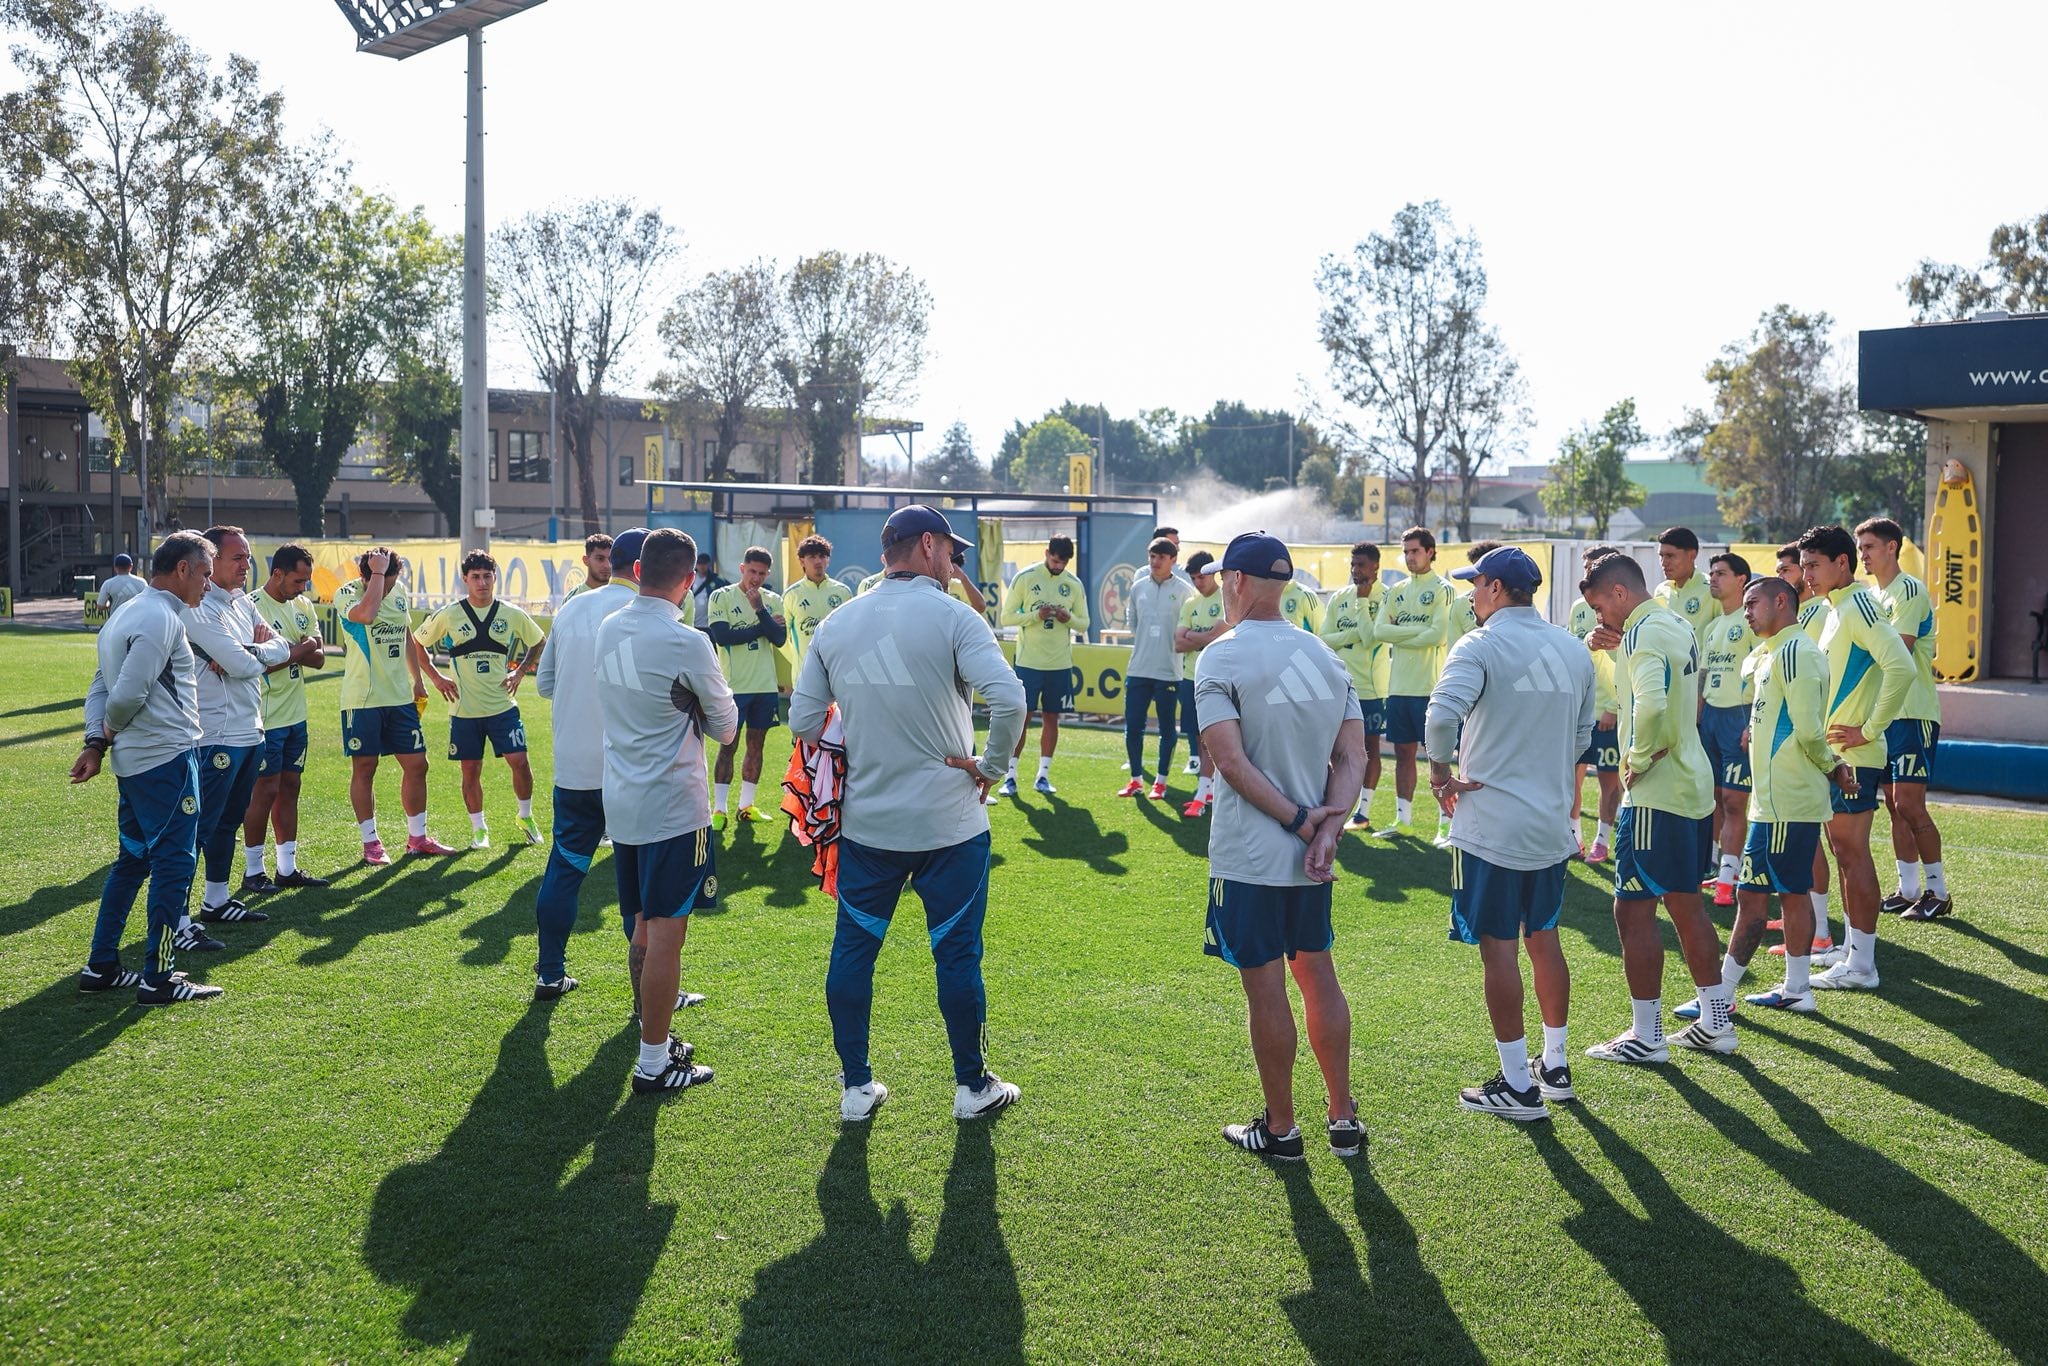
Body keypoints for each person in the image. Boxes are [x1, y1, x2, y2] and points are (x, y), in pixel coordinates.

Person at [790, 504, 1029, 1123]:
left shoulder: (838, 621)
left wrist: (864, 733)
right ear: (927, 545)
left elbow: (803, 721)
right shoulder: (954, 615)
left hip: (869, 825)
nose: (954, 562)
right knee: (956, 957)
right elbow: (1010, 699)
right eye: (951, 551)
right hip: (950, 824)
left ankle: (855, 1087)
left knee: (853, 952)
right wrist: (990, 767)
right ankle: (971, 1087)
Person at [1196, 532, 1366, 1161]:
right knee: (1319, 975)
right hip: (1313, 858)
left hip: (1251, 855)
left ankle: (1281, 1128)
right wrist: (1329, 829)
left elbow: (1230, 762)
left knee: (1266, 988)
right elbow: (1353, 756)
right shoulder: (1325, 655)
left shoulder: (1220, 656)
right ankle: (1342, 1116)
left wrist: (1301, 822)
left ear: (1236, 581)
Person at [1426, 547, 1594, 1121]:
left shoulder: (1480, 644)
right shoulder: (1571, 648)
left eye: (1476, 584)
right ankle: (1556, 1065)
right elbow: (1582, 737)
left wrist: (1440, 774)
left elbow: (1441, 717)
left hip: (1491, 823)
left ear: (1496, 588)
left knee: (1498, 948)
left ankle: (1518, 1085)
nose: (1471, 594)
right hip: (1550, 822)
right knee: (1543, 938)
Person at [1675, 576, 1856, 1021]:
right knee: (1760, 897)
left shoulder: (1797, 653)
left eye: (1753, 603)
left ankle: (1781, 990)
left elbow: (1809, 730)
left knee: (1779, 896)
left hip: (1789, 801)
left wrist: (1832, 765)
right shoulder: (1773, 652)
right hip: (1771, 803)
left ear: (1781, 601)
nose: (1747, 612)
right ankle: (1735, 993)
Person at [1578, 552, 1734, 1061]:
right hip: (1692, 785)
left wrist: (1638, 759)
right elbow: (1660, 688)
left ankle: (1647, 1036)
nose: (1599, 616)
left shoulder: (1642, 634)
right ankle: (1716, 1021)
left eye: (1600, 606)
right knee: (1686, 904)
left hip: (1657, 794)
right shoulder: (1674, 623)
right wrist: (1616, 650)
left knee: (1632, 910)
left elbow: (1650, 704)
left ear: (1619, 593)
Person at [595, 528, 735, 1095]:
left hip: (623, 799)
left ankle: (652, 1034)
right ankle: (653, 1060)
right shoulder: (688, 642)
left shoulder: (609, 625)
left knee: (643, 925)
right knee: (666, 934)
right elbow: (726, 727)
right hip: (674, 806)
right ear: (689, 580)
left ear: (636, 571)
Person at [71, 531, 222, 1004]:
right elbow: (126, 694)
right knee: (175, 865)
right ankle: (160, 978)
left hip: (136, 764)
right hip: (166, 761)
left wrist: (97, 742)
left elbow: (99, 687)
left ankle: (101, 966)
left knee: (133, 861)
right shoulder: (161, 617)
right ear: (182, 569)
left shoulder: (126, 613)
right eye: (205, 574)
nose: (208, 585)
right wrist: (107, 731)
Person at [181, 525, 313, 940]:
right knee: (197, 829)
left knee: (228, 822)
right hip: (214, 734)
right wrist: (252, 655)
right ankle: (178, 919)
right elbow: (246, 662)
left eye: (248, 557)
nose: (246, 565)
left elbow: (278, 647)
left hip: (250, 730)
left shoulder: (240, 601)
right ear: (211, 560)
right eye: (237, 557)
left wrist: (247, 653)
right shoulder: (198, 607)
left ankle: (216, 901)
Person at [1799, 524, 1916, 990]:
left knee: (1852, 852)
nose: (1807, 574)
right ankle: (1851, 951)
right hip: (1836, 755)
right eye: (1804, 565)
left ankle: (1863, 965)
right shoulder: (1835, 608)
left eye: (1814, 565)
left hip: (1856, 755)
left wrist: (1868, 729)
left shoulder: (1860, 605)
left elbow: (1902, 667)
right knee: (1842, 852)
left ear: (1841, 563)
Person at [413, 550, 548, 849]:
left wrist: (520, 671)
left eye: (488, 576)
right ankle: (479, 829)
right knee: (471, 770)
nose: (482, 583)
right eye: (476, 577)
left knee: (520, 761)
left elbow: (539, 640)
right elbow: (417, 642)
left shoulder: (510, 613)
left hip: (502, 706)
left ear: (495, 577)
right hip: (464, 709)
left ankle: (525, 816)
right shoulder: (450, 613)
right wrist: (436, 677)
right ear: (465, 579)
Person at [337, 547, 457, 863]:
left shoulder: (399, 590)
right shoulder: (347, 593)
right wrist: (378, 574)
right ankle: (371, 843)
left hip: (400, 698)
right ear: (366, 575)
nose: (388, 589)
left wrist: (417, 679)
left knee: (418, 764)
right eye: (383, 582)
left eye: (391, 582)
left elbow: (405, 634)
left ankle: (418, 838)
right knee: (366, 768)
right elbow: (367, 615)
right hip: (363, 700)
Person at [1857, 517, 1951, 921]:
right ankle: (1908, 889)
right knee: (1894, 806)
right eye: (1860, 548)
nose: (1863, 555)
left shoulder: (1908, 589)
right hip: (1884, 715)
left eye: (1869, 547)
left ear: (1891, 547)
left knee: (1910, 805)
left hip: (1913, 712)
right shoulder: (1871, 595)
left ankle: (1938, 892)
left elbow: (1898, 649)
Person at [242, 544, 331, 895]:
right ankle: (253, 872)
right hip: (265, 718)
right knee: (264, 791)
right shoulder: (250, 606)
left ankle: (287, 869)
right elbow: (258, 663)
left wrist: (289, 651)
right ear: (277, 573)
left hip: (296, 716)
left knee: (291, 787)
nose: (303, 588)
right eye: (298, 580)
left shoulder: (303, 605)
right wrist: (302, 647)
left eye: (306, 581)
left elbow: (320, 658)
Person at [1773, 540, 1837, 950]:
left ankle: (1821, 931)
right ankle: (1806, 922)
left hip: (1812, 736)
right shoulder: (1803, 615)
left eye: (1791, 568)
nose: (1785, 574)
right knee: (1804, 838)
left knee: (1816, 838)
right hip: (1792, 737)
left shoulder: (1819, 612)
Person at [1371, 527, 1453, 842]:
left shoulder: (1443, 589)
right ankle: (1403, 821)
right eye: (1405, 552)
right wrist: (1417, 632)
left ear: (1430, 552)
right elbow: (1379, 631)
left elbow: (1438, 635)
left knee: (1437, 759)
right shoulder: (1396, 591)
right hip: (1398, 688)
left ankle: (1446, 825)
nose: (1409, 557)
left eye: (1415, 551)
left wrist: (1400, 633)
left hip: (1430, 688)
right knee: (1403, 756)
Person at [999, 535, 1090, 798]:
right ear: (1046, 553)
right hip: (1028, 663)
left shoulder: (1073, 584)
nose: (1058, 566)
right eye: (1054, 560)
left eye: (1063, 563)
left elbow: (1084, 623)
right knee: (1022, 718)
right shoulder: (1025, 578)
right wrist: (1034, 616)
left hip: (1059, 664)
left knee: (1052, 718)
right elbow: (1006, 617)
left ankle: (1043, 776)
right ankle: (1010, 776)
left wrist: (1068, 618)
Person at [704, 546, 787, 827]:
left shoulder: (772, 600)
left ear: (768, 574)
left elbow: (779, 639)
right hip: (733, 687)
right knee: (728, 746)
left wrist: (760, 610)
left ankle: (746, 806)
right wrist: (764, 626)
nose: (756, 578)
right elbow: (723, 636)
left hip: (764, 686)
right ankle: (719, 810)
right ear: (742, 569)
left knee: (756, 746)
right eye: (752, 571)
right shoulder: (721, 596)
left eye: (762, 573)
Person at [1697, 552, 1758, 907]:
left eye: (1721, 573)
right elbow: (1703, 676)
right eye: (1712, 573)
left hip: (1738, 716)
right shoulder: (1712, 627)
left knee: (1735, 800)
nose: (1714, 579)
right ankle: (1723, 868)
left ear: (1741, 579)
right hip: (1711, 718)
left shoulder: (1750, 623)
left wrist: (1752, 722)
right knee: (1716, 797)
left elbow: (1761, 676)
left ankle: (1728, 880)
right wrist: (1697, 718)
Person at [1117, 536, 1195, 800]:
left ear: (1173, 560)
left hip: (1169, 671)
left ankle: (1160, 782)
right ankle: (1136, 779)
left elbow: (1186, 630)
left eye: (1161, 557)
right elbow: (1133, 624)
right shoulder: (1138, 587)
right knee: (1133, 727)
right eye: (1152, 556)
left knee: (1167, 729)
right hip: (1138, 669)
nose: (1155, 561)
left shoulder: (1185, 591)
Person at [1318, 542, 1385, 829]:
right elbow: (1324, 639)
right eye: (1353, 564)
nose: (1355, 570)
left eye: (1361, 565)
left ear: (1375, 566)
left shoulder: (1386, 597)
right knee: (1331, 747)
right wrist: (1352, 635)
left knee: (1369, 749)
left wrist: (1362, 602)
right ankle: (1331, 802)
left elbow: (1370, 638)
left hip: (1370, 688)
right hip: (1338, 684)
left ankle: (1363, 812)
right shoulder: (1339, 597)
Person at [1566, 546, 1623, 862]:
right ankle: (1573, 836)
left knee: (1609, 778)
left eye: (1594, 567)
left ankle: (1603, 839)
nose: (1588, 572)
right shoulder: (1579, 607)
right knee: (1571, 775)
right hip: (1578, 707)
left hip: (1607, 710)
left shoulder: (1620, 606)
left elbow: (1624, 662)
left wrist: (1613, 705)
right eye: (1586, 567)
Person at [1175, 551, 1227, 814]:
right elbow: (1177, 643)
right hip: (1190, 677)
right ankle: (1207, 788)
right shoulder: (1190, 604)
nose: (1197, 583)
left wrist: (1193, 636)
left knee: (1213, 737)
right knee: (1197, 736)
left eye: (1201, 577)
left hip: (1217, 678)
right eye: (1193, 578)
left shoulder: (1226, 598)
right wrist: (1205, 637)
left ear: (1213, 574)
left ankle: (1204, 792)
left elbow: (1217, 637)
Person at [783, 534, 851, 668]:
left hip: (835, 670)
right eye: (812, 557)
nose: (818, 561)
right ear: (802, 561)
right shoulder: (791, 595)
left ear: (828, 560)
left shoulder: (843, 592)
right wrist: (798, 660)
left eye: (822, 556)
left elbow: (850, 632)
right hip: (804, 673)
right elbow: (782, 638)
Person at [1653, 526, 1715, 645]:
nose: (1664, 563)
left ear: (1692, 555)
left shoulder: (1711, 589)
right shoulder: (1661, 590)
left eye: (1670, 556)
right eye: (1661, 556)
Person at [1445, 541, 1502, 652]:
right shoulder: (1461, 603)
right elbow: (1454, 650)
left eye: (1481, 571)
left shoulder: (1518, 603)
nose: (1476, 576)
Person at [561, 532, 613, 603]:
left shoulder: (621, 595)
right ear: (586, 560)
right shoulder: (572, 599)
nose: (607, 565)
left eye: (610, 559)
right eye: (600, 559)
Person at [689, 552, 727, 629]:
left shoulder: (716, 581)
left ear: (709, 564)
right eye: (699, 563)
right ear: (696, 565)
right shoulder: (690, 579)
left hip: (709, 625)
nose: (702, 566)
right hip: (692, 625)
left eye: (704, 563)